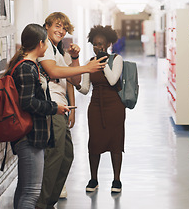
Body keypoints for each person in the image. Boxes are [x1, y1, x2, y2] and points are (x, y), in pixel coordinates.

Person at [36, 12, 107, 209]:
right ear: (47, 26)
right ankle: (42, 204)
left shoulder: (57, 50)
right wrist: (85, 67)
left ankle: (49, 201)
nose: (61, 30)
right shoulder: (45, 46)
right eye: (57, 26)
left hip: (60, 107)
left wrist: (75, 58)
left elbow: (74, 81)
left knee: (66, 155)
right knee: (55, 155)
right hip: (51, 107)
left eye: (64, 28)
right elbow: (54, 72)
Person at [9, 24, 70, 209]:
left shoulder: (30, 65)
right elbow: (27, 102)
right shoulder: (26, 68)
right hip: (30, 136)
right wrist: (54, 108)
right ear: (41, 43)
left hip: (33, 135)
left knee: (24, 189)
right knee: (31, 192)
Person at [76, 25, 125, 193]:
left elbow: (112, 81)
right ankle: (93, 179)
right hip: (95, 107)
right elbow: (84, 89)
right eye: (95, 44)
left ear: (109, 44)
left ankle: (117, 180)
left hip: (115, 107)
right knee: (94, 143)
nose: (99, 47)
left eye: (102, 44)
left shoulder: (116, 59)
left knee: (115, 143)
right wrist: (74, 83)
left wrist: (103, 63)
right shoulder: (89, 63)